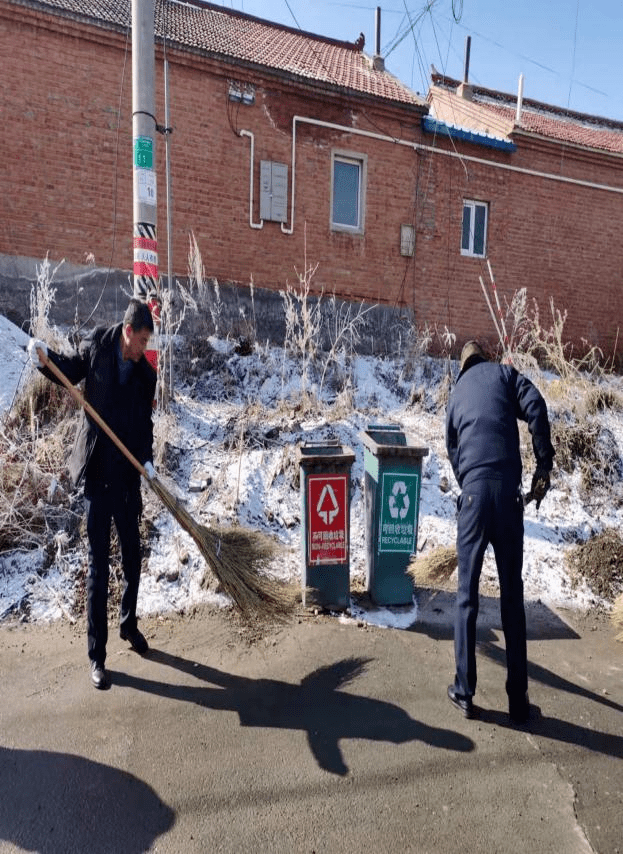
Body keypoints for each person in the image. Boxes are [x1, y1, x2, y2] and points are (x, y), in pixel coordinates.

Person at [28, 299, 157, 690]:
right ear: (127, 331)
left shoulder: (144, 375)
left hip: (126, 478)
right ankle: (97, 657)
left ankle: (128, 624)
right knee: (98, 568)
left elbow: (144, 424)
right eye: (143, 340)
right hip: (98, 476)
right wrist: (43, 358)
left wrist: (147, 462)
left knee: (133, 558)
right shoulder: (98, 346)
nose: (144, 348)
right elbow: (69, 369)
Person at [445, 341, 554, 724]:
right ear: (486, 358)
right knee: (511, 598)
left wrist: (471, 484)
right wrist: (544, 463)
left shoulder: (456, 393)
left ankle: (464, 692)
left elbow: (453, 448)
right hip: (508, 496)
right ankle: (518, 702)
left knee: (466, 599)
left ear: (462, 367)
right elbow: (537, 406)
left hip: (474, 499)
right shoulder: (506, 375)